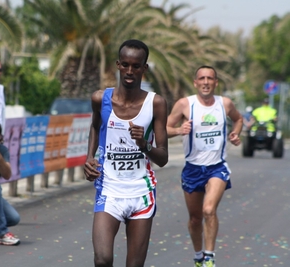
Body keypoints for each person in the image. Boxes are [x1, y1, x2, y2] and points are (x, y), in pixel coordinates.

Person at [83, 39, 168, 267]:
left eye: (136, 66)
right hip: (109, 189)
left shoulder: (156, 104)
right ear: (118, 65)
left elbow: (163, 157)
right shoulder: (101, 99)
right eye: (126, 65)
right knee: (102, 259)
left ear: (144, 68)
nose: (130, 71)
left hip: (141, 192)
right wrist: (89, 158)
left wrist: (144, 145)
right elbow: (94, 126)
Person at [166, 66, 243, 267]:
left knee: (209, 209)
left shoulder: (224, 104)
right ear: (196, 82)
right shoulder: (184, 104)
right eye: (202, 78)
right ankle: (198, 255)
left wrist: (236, 133)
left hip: (217, 167)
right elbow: (163, 130)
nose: (206, 82)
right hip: (192, 168)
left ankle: (209, 257)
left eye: (210, 78)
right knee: (195, 218)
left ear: (216, 83)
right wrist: (178, 130)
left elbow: (239, 119)